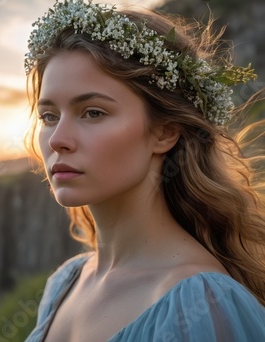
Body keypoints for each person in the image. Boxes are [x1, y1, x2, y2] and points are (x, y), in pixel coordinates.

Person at [23, 1, 265, 341]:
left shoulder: (202, 304)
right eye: (49, 116)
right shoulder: (64, 284)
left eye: (93, 112)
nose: (58, 140)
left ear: (165, 131)